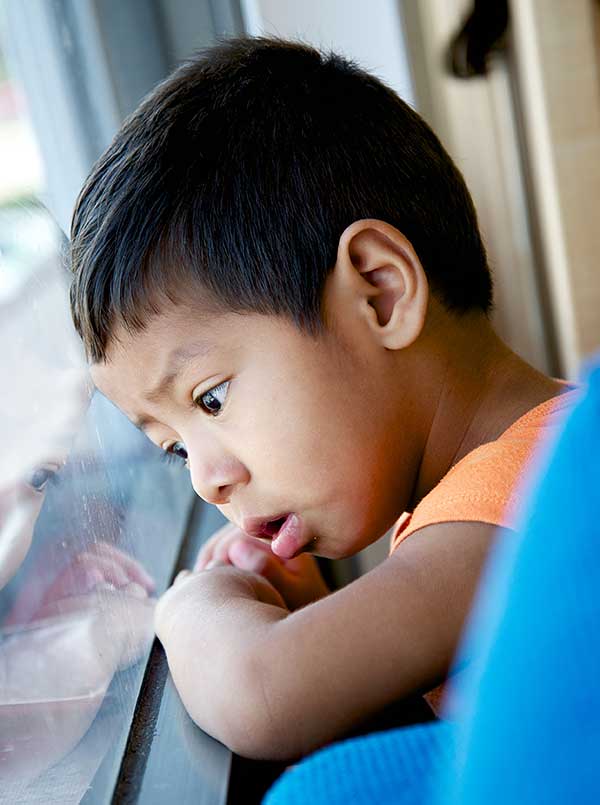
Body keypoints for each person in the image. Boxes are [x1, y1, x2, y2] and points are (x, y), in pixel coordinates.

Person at [68, 37, 579, 760]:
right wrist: (309, 612)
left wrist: (188, 609)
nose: (206, 476)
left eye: (210, 400)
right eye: (177, 447)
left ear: (380, 291)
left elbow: (265, 691)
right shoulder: (528, 460)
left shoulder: (520, 499)